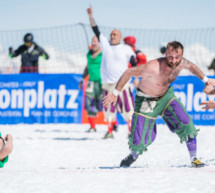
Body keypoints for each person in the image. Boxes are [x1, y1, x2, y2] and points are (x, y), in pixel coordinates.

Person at [103, 41, 210, 168]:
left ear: (182, 56)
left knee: (186, 123)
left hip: (166, 97)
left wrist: (207, 81)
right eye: (170, 56)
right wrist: (115, 93)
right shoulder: (153, 67)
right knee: (141, 141)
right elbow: (128, 72)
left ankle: (194, 158)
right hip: (146, 100)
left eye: (177, 57)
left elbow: (193, 67)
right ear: (165, 53)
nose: (173, 60)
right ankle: (133, 155)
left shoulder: (182, 62)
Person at [87, 5, 137, 139]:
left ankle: (130, 132)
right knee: (108, 110)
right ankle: (109, 132)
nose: (112, 36)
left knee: (127, 109)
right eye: (111, 34)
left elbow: (134, 64)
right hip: (108, 85)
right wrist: (91, 16)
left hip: (123, 85)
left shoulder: (126, 48)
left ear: (120, 37)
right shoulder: (105, 44)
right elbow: (95, 29)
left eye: (115, 34)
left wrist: (136, 79)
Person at [79, 36, 103, 132]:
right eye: (92, 41)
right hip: (91, 82)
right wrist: (82, 79)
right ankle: (92, 126)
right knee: (89, 104)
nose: (93, 43)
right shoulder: (89, 54)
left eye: (95, 41)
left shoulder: (104, 54)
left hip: (102, 82)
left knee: (104, 105)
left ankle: (112, 125)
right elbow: (87, 67)